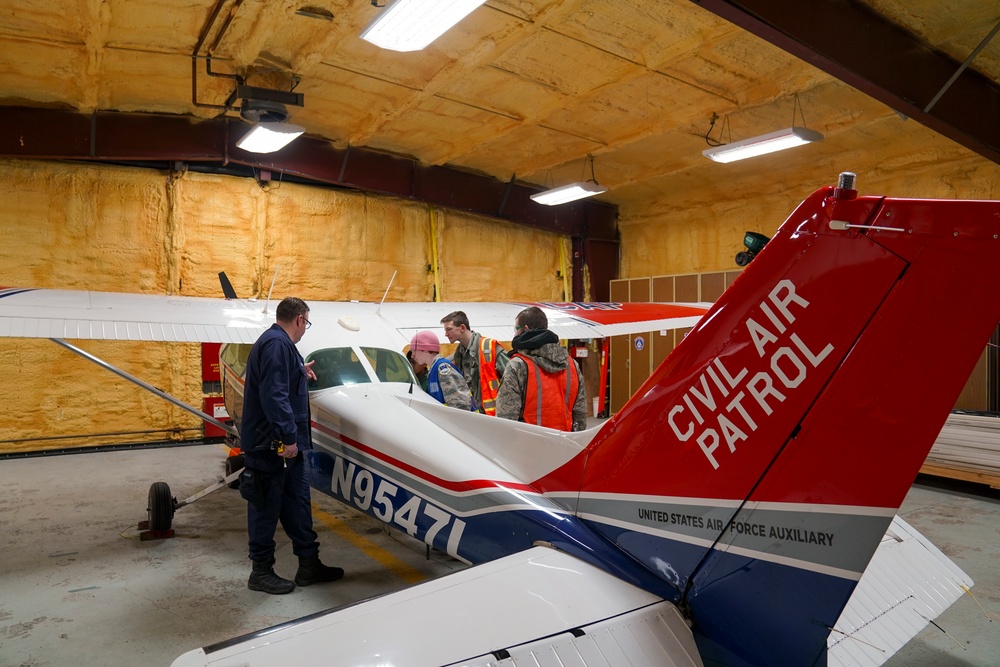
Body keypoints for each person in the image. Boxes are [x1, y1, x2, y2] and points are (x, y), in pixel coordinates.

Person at [239, 296, 343, 595]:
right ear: (299, 319)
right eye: (307, 323)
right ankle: (260, 572)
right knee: (265, 507)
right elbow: (274, 396)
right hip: (272, 446)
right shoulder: (275, 345)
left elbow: (279, 382)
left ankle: (309, 564)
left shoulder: (283, 347)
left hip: (286, 448)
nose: (305, 329)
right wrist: (287, 437)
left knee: (297, 505)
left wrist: (299, 369)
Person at [495, 306, 587, 431]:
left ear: (525, 329)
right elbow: (580, 414)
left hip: (528, 446)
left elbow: (506, 418)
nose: (515, 333)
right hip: (564, 444)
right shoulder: (572, 365)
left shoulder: (517, 365)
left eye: (516, 329)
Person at [441, 310, 509, 415]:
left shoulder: (489, 347)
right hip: (475, 415)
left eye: (449, 329)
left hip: (497, 414)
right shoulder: (458, 355)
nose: (446, 334)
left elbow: (513, 380)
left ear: (462, 328)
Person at [409, 330, 474, 411]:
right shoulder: (434, 370)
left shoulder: (443, 369)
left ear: (425, 349)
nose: (412, 356)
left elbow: (461, 405)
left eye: (414, 350)